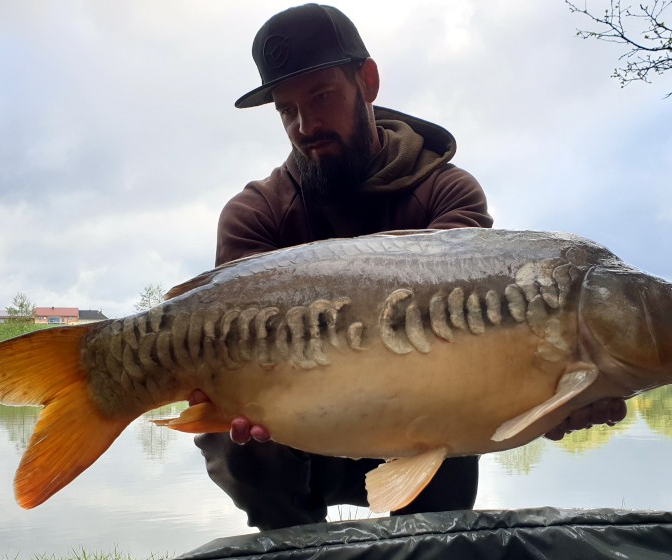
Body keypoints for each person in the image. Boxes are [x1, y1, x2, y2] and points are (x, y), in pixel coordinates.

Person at [193, 3, 627, 531]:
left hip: (429, 419)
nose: (305, 125)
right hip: (301, 431)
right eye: (286, 109)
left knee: (453, 426)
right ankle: (294, 544)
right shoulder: (255, 214)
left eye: (321, 97)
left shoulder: (447, 191)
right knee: (234, 440)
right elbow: (227, 344)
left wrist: (558, 393)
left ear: (367, 81)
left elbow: (479, 333)